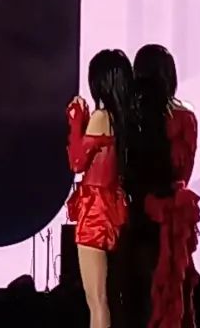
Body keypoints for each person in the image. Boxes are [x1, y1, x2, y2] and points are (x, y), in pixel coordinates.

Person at [121, 44, 200, 328]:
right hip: (170, 218)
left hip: (131, 216)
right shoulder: (184, 117)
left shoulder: (125, 116)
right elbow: (184, 172)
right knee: (171, 296)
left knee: (133, 298)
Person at [66, 49, 132, 328]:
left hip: (95, 209)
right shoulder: (123, 119)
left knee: (96, 300)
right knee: (107, 297)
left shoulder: (101, 117)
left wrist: (76, 121)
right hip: (112, 204)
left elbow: (77, 162)